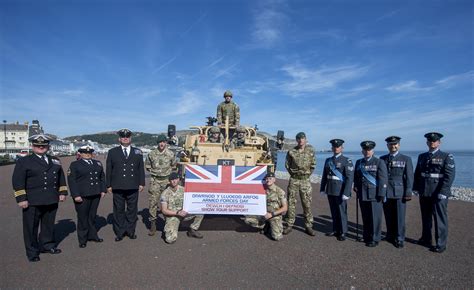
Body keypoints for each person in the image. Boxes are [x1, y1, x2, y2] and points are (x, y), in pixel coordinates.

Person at [12, 134, 68, 262]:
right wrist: (21, 199)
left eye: (43, 145)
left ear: (48, 146)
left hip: (51, 198)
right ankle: (32, 251)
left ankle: (47, 245)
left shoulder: (55, 160)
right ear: (33, 146)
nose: (41, 147)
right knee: (31, 227)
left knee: (48, 224)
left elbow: (61, 177)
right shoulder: (24, 161)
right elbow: (17, 181)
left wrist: (62, 192)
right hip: (32, 200)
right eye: (38, 145)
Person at [413, 132, 455, 253]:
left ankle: (440, 243)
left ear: (439, 142)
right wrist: (416, 187)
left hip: (438, 192)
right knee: (425, 217)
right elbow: (418, 173)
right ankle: (426, 238)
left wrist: (444, 191)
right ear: (427, 143)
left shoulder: (446, 156)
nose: (432, 142)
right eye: (430, 141)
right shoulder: (422, 156)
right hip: (425, 191)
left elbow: (449, 176)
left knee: (440, 218)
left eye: (435, 141)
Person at [106, 129, 145, 241]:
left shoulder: (138, 152)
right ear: (119, 139)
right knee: (119, 210)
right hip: (117, 186)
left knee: (132, 210)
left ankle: (130, 231)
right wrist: (108, 185)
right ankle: (120, 232)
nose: (125, 138)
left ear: (130, 138)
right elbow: (109, 169)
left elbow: (140, 169)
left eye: (127, 137)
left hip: (133, 186)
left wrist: (141, 183)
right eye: (123, 137)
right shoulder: (112, 152)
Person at [67, 145, 106, 248]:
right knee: (82, 217)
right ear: (80, 153)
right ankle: (83, 239)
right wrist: (75, 195)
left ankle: (93, 235)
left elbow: (102, 177)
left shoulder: (97, 163)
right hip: (82, 195)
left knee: (92, 216)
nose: (88, 154)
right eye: (85, 152)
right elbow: (72, 181)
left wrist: (103, 190)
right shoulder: (75, 165)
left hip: (95, 194)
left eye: (89, 152)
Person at [380, 136, 414, 248]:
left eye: (395, 144)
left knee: (399, 217)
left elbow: (409, 177)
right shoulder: (382, 159)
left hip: (399, 191)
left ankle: (399, 238)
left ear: (398, 145)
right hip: (386, 191)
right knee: (388, 215)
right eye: (390, 144)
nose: (393, 146)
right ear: (387, 146)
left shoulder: (406, 159)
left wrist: (408, 192)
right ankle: (390, 235)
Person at [354, 141, 388, 247]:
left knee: (375, 218)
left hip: (374, 195)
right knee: (366, 217)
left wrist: (382, 194)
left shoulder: (379, 162)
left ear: (373, 151)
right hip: (362, 194)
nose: (367, 151)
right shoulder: (359, 162)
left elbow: (383, 179)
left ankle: (375, 238)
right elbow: (356, 177)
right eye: (365, 150)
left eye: (369, 150)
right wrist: (356, 186)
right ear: (362, 151)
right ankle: (366, 236)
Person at [320, 139, 354, 241]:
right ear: (332, 148)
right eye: (334, 146)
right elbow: (324, 176)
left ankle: (343, 232)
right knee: (334, 211)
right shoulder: (328, 160)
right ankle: (335, 229)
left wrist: (347, 192)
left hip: (340, 190)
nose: (336, 148)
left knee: (341, 212)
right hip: (330, 189)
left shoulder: (346, 160)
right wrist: (322, 188)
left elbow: (349, 178)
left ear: (342, 148)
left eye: (338, 146)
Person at [283, 132, 316, 236]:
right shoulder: (291, 151)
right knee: (291, 202)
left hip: (305, 180)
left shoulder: (311, 150)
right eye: (299, 138)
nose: (301, 140)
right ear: (296, 140)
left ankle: (308, 225)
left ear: (305, 139)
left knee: (307, 204)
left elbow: (313, 165)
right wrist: (294, 175)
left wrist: (306, 175)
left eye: (303, 138)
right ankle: (289, 224)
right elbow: (287, 165)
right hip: (294, 180)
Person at [145, 134, 177, 236]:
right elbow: (148, 166)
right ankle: (153, 224)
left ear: (166, 143)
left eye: (163, 142)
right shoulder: (151, 154)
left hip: (166, 182)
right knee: (153, 203)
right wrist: (156, 173)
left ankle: (168, 223)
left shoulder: (171, 154)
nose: (161, 144)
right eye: (160, 142)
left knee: (168, 203)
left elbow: (174, 166)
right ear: (157, 143)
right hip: (155, 181)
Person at [160, 172, 204, 244]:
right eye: (172, 179)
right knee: (170, 240)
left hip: (184, 213)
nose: (174, 181)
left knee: (200, 210)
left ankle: (193, 230)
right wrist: (177, 213)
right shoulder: (165, 193)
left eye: (176, 179)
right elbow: (164, 210)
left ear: (178, 180)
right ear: (169, 181)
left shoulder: (184, 190)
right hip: (173, 216)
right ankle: (174, 226)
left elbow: (192, 199)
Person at [244, 172, 288, 241]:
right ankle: (265, 225)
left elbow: (285, 208)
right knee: (247, 219)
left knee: (277, 237)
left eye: (270, 178)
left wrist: (271, 214)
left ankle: (272, 225)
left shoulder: (279, 191)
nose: (268, 180)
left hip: (274, 216)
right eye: (267, 179)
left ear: (274, 180)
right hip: (264, 214)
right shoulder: (263, 190)